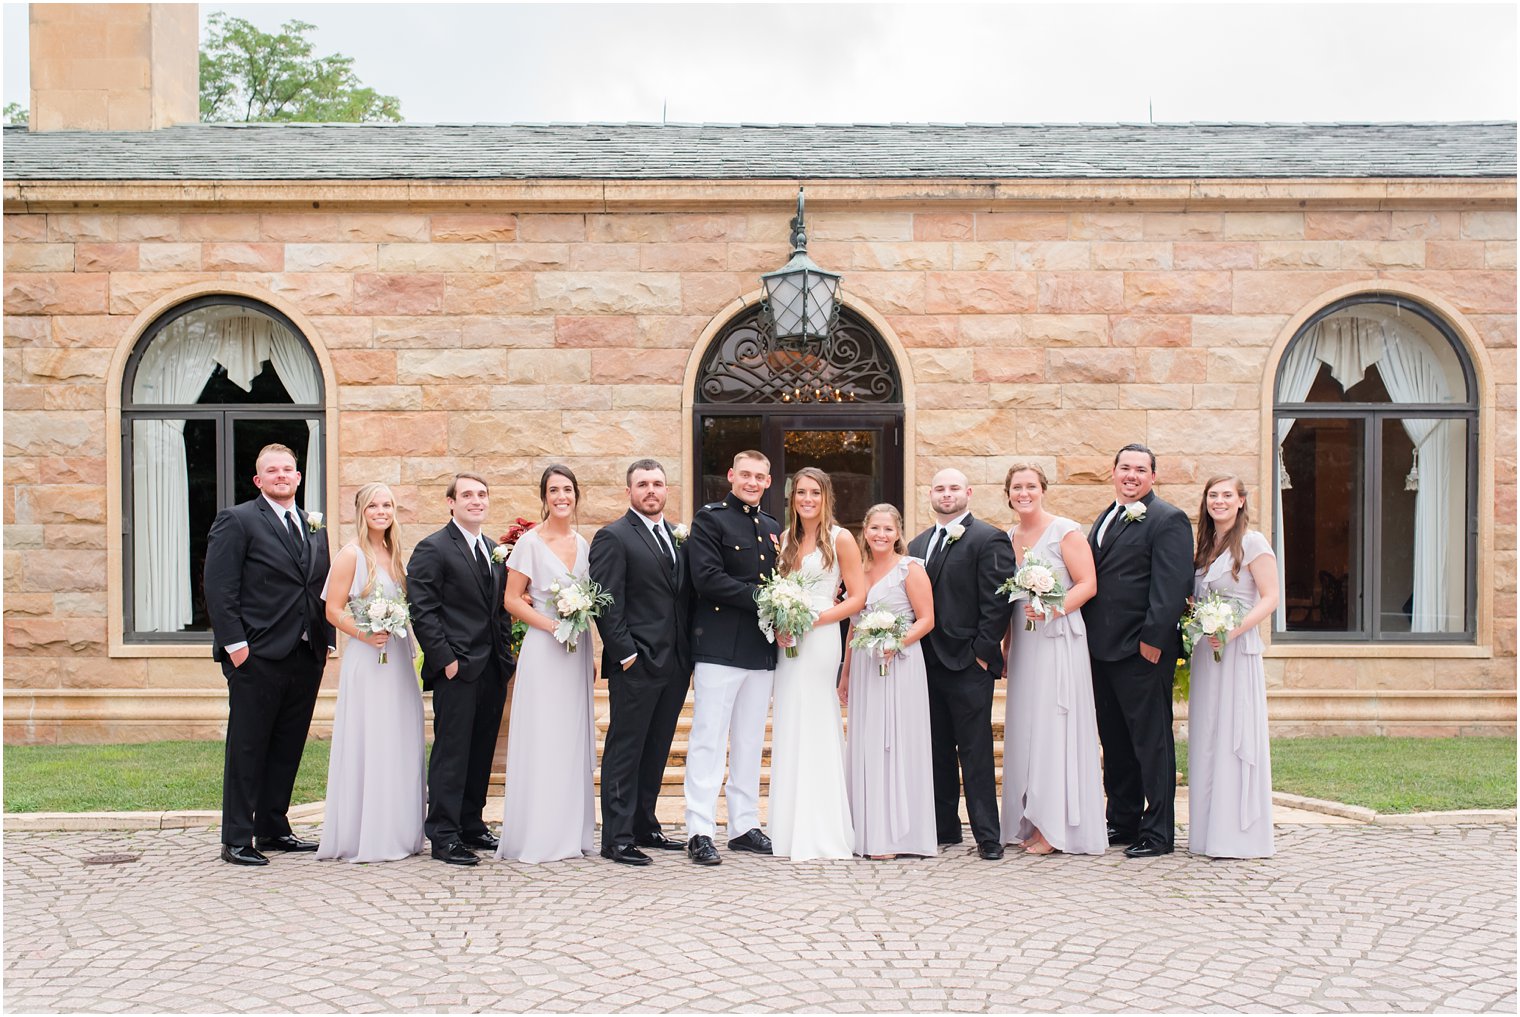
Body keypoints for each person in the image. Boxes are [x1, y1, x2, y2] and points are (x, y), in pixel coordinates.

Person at [204, 443, 335, 865]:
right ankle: (237, 838)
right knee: (248, 746)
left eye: (288, 470)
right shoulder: (237, 520)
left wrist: (326, 639)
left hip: (305, 652)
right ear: (258, 480)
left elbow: (321, 586)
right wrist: (237, 647)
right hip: (257, 654)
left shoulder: (314, 525)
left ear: (298, 478)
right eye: (272, 471)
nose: (282, 475)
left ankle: (274, 828)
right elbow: (219, 588)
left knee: (288, 744)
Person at [1085, 443, 1194, 859]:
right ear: (1112, 472)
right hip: (1102, 651)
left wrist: (1153, 641)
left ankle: (1159, 831)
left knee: (1151, 742)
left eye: (1140, 469)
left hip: (1141, 651)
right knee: (1115, 741)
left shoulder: (1168, 520)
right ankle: (1123, 818)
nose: (1131, 475)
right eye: (1124, 468)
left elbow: (1171, 587)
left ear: (1153, 477)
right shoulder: (1106, 516)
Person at [905, 468, 1016, 860]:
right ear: (929, 494)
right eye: (939, 488)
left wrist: (983, 654)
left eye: (954, 488)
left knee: (975, 751)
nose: (946, 494)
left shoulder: (989, 538)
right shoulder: (916, 544)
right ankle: (944, 826)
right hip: (926, 664)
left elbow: (997, 601)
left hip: (969, 665)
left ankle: (987, 834)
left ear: (967, 492)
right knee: (935, 749)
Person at [589, 459, 693, 866]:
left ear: (667, 490)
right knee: (626, 748)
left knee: (657, 747)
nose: (651, 491)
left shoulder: (675, 536)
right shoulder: (613, 537)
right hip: (637, 662)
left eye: (658, 484)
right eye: (643, 484)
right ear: (629, 491)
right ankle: (616, 837)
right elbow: (605, 600)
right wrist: (627, 654)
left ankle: (645, 823)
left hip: (674, 663)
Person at [999, 464, 1106, 856]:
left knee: (1053, 726)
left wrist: (1052, 609)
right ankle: (1029, 818)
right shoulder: (1008, 536)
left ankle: (1055, 826)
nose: (1023, 493)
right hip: (1025, 642)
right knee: (1027, 728)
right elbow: (1011, 598)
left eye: (1030, 486)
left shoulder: (1066, 531)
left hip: (1058, 638)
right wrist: (1007, 645)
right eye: (1016, 487)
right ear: (1008, 493)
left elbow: (1088, 584)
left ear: (1042, 490)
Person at [683, 450, 784, 865]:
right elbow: (706, 578)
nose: (752, 482)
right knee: (708, 739)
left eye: (760, 476)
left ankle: (744, 825)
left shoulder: (773, 526)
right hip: (720, 646)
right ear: (731, 475)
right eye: (745, 474)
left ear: (769, 481)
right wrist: (765, 597)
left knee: (749, 741)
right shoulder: (710, 519)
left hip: (760, 650)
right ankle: (700, 830)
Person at [408, 473, 515, 866]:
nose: (476, 500)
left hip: (491, 669)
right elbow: (423, 610)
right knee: (453, 752)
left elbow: (499, 611)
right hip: (456, 668)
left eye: (482, 494)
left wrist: (506, 660)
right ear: (450, 502)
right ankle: (444, 833)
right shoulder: (433, 548)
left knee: (482, 749)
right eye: (467, 495)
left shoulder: (492, 549)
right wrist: (446, 660)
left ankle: (471, 822)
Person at [316, 483, 425, 863]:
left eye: (388, 505)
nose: (382, 511)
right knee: (373, 736)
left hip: (396, 655)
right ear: (361, 511)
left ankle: (398, 828)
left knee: (399, 736)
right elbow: (332, 609)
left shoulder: (395, 554)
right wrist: (364, 632)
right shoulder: (352, 554)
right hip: (368, 655)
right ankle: (367, 833)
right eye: (374, 506)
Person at [497, 465, 597, 863]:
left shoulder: (584, 543)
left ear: (576, 495)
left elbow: (588, 600)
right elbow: (512, 599)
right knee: (544, 735)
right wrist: (553, 625)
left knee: (572, 737)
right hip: (545, 647)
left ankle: (570, 832)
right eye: (554, 490)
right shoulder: (530, 544)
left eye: (568, 489)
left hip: (577, 650)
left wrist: (592, 649)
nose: (561, 496)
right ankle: (538, 834)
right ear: (544, 497)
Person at [767, 468, 867, 861]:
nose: (807, 499)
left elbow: (857, 597)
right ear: (792, 497)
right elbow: (776, 591)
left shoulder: (840, 539)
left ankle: (822, 828)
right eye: (800, 493)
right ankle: (788, 828)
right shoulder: (786, 540)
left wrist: (816, 618)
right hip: (790, 642)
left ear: (826, 497)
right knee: (790, 723)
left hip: (822, 638)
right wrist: (779, 626)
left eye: (815, 493)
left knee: (817, 722)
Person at [1187, 474, 1280, 859]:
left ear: (1242, 501)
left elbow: (1271, 597)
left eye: (1227, 495)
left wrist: (1233, 631)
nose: (1219, 501)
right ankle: (1208, 832)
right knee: (1207, 738)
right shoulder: (1205, 545)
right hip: (1206, 655)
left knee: (1234, 735)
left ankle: (1239, 834)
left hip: (1236, 653)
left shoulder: (1252, 542)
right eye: (1213, 495)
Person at [839, 504, 937, 859]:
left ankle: (897, 836)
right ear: (865, 531)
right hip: (866, 666)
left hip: (901, 663)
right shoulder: (858, 571)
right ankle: (867, 830)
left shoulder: (910, 569)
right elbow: (853, 623)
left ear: (898, 534)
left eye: (888, 529)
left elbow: (926, 619)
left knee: (896, 742)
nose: (881, 535)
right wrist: (846, 673)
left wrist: (896, 643)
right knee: (867, 741)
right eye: (874, 528)